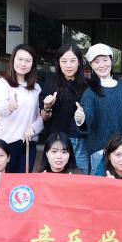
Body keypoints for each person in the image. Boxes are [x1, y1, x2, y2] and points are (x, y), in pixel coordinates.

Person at [75, 44, 122, 176]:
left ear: (111, 60)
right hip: (99, 151)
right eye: (96, 62)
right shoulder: (90, 92)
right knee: (100, 187)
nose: (102, 65)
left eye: (105, 60)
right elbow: (87, 115)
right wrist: (81, 119)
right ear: (91, 65)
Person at [41, 44, 90, 173]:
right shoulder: (51, 85)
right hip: (57, 142)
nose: (68, 65)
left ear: (79, 62)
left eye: (72, 61)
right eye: (64, 61)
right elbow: (44, 117)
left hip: (80, 141)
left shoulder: (88, 86)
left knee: (80, 177)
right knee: (57, 179)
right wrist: (47, 107)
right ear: (58, 63)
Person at [0, 44, 44, 173]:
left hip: (28, 143)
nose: (23, 64)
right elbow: (0, 110)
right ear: (13, 60)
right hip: (7, 142)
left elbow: (41, 116)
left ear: (32, 64)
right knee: (5, 182)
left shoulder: (36, 88)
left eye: (28, 60)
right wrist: (9, 107)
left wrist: (33, 128)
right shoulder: (3, 83)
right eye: (20, 59)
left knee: (23, 183)